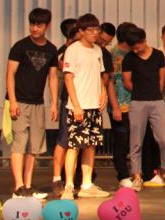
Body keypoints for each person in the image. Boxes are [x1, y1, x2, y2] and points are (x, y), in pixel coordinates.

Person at [5, 8, 57, 199]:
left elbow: (53, 78)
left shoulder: (51, 49)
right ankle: (18, 186)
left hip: (38, 103)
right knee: (19, 143)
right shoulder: (20, 46)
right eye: (32, 24)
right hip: (19, 101)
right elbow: (10, 74)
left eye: (39, 25)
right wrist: (12, 101)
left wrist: (53, 103)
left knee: (34, 147)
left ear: (47, 26)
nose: (35, 28)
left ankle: (27, 185)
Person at [123, 27, 165, 191]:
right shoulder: (129, 58)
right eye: (133, 48)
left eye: (137, 46)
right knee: (136, 141)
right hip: (137, 103)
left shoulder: (157, 55)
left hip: (157, 102)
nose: (135, 50)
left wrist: (155, 93)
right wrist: (140, 92)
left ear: (144, 40)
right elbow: (127, 82)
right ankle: (137, 175)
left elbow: (162, 79)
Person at [61, 14, 110, 199]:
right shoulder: (73, 49)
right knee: (74, 146)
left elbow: (100, 75)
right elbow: (68, 78)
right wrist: (76, 105)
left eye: (97, 29)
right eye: (91, 30)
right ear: (81, 31)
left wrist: (103, 91)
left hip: (94, 106)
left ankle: (87, 184)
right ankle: (69, 185)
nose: (95, 33)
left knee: (91, 145)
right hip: (78, 106)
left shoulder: (98, 50)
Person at [103, 22, 132, 187]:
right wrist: (115, 107)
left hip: (134, 104)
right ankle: (123, 174)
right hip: (119, 105)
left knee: (133, 140)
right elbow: (110, 83)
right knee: (121, 140)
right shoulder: (112, 55)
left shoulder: (132, 54)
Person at [51, 17, 77, 196]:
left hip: (84, 100)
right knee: (64, 139)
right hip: (67, 99)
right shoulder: (64, 51)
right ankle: (56, 178)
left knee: (78, 143)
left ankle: (73, 179)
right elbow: (60, 71)